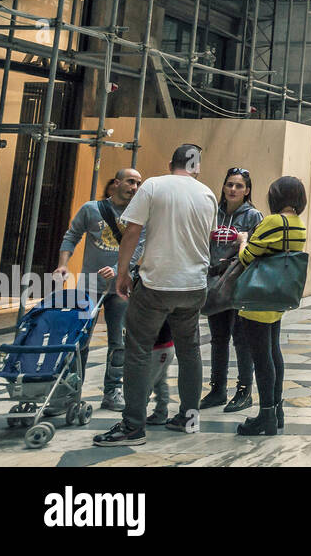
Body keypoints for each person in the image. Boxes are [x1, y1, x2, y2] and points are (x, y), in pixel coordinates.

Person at [94, 144, 217, 448]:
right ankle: (188, 418)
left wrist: (123, 273)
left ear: (170, 162)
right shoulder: (207, 194)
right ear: (197, 167)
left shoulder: (153, 186)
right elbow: (206, 238)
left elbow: (132, 232)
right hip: (193, 287)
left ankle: (133, 426)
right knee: (189, 352)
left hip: (157, 285)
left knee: (137, 351)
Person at [56, 167, 144, 413]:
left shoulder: (140, 215)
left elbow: (138, 248)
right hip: (89, 286)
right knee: (79, 338)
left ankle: (112, 391)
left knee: (118, 341)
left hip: (121, 287)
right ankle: (71, 391)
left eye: (138, 183)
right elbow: (71, 235)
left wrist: (117, 269)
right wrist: (63, 264)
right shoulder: (91, 209)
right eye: (130, 182)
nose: (135, 187)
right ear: (116, 183)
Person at [235, 175, 308, 437]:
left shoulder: (273, 221)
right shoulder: (298, 223)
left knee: (261, 357)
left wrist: (243, 240)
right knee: (274, 352)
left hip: (258, 297)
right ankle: (276, 411)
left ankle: (265, 416)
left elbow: (247, 257)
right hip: (277, 297)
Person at [201, 167, 263, 414]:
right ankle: (217, 389)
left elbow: (257, 251)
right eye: (229, 184)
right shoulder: (213, 213)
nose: (233, 189)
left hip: (239, 283)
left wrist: (242, 244)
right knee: (218, 338)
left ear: (247, 191)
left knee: (241, 339)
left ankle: (244, 391)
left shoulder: (253, 216)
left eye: (239, 186)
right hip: (214, 284)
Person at [139, 319, 174, 426]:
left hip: (157, 349)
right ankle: (161, 412)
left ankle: (136, 415)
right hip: (167, 347)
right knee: (160, 381)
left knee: (145, 383)